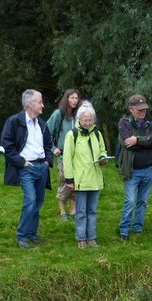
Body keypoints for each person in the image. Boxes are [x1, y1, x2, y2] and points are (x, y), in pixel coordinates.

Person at [1, 89, 54, 249]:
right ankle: (22, 236)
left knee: (38, 201)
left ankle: (32, 233)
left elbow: (48, 144)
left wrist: (47, 161)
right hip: (27, 167)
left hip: (41, 167)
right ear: (30, 104)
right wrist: (21, 162)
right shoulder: (14, 121)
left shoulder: (42, 123)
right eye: (40, 102)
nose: (43, 105)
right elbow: (7, 145)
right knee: (30, 200)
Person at [63, 102, 108, 248]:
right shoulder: (72, 135)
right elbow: (67, 159)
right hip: (80, 180)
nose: (88, 123)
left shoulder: (97, 133)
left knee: (92, 211)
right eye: (85, 120)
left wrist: (103, 157)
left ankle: (92, 238)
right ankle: (81, 238)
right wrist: (69, 179)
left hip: (95, 179)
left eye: (90, 120)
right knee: (81, 211)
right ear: (79, 120)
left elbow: (102, 149)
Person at [117, 94, 152, 241]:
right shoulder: (124, 123)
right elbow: (127, 144)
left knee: (143, 201)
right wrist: (143, 143)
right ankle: (124, 229)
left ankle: (138, 227)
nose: (143, 112)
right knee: (130, 200)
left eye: (144, 109)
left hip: (147, 169)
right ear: (131, 109)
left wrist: (137, 140)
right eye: (139, 109)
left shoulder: (150, 125)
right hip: (132, 170)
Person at [46, 88, 81, 221]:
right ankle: (62, 212)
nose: (74, 101)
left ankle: (73, 210)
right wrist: (53, 148)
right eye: (71, 98)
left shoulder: (78, 115)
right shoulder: (58, 114)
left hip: (78, 157)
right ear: (66, 99)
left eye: (76, 98)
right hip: (63, 156)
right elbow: (46, 132)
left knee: (76, 183)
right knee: (64, 182)